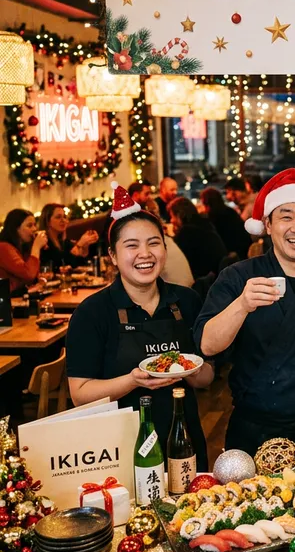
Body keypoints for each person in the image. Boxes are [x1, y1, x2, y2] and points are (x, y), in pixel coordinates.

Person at [194, 168, 295, 472]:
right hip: (253, 429)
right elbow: (208, 345)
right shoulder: (237, 277)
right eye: (286, 217)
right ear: (267, 224)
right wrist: (242, 305)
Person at [66, 183, 212, 469]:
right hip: (119, 449)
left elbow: (206, 378)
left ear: (165, 248)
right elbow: (79, 394)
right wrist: (133, 380)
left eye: (154, 243)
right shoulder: (92, 312)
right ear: (113, 255)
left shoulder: (186, 301)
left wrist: (191, 369)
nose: (145, 253)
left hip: (183, 438)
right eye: (131, 245)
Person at [168, 198, 227, 281]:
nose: (171, 220)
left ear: (179, 215)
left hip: (204, 279)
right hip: (216, 274)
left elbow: (177, 258)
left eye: (172, 216)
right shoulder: (206, 223)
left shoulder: (186, 231)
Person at [38, 204, 99, 270]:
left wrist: (85, 246)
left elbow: (77, 264)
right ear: (47, 221)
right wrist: (79, 245)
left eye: (64, 217)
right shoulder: (43, 242)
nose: (63, 220)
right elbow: (61, 265)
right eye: (58, 217)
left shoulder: (64, 241)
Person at [0, 209, 47, 294]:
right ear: (16, 228)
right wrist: (36, 247)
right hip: (7, 299)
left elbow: (32, 277)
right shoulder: (3, 248)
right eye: (29, 226)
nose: (34, 229)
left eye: (34, 225)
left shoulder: (23, 247)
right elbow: (28, 274)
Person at [199, 187, 252, 261]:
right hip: (244, 249)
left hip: (231, 255)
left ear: (206, 202)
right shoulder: (230, 211)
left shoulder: (212, 217)